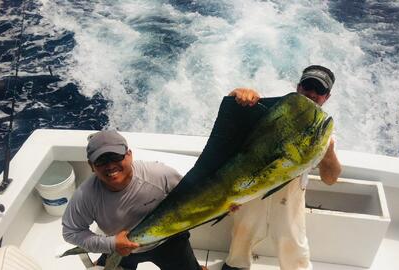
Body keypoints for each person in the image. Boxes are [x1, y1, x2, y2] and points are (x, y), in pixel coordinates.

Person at [222, 65, 342, 270]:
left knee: (295, 250)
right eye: (308, 86)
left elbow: (330, 179)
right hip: (254, 192)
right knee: (241, 238)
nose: (312, 93)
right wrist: (238, 95)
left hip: (290, 199)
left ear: (326, 97)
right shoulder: (270, 115)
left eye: (319, 90)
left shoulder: (323, 132)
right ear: (298, 87)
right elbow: (236, 109)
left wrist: (328, 149)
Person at [62, 130, 207, 270]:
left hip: (168, 242)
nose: (110, 165)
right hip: (121, 248)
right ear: (91, 166)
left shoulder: (160, 175)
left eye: (116, 157)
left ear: (129, 155)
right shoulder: (85, 195)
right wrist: (111, 244)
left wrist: (224, 207)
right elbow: (71, 232)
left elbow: (192, 198)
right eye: (101, 161)